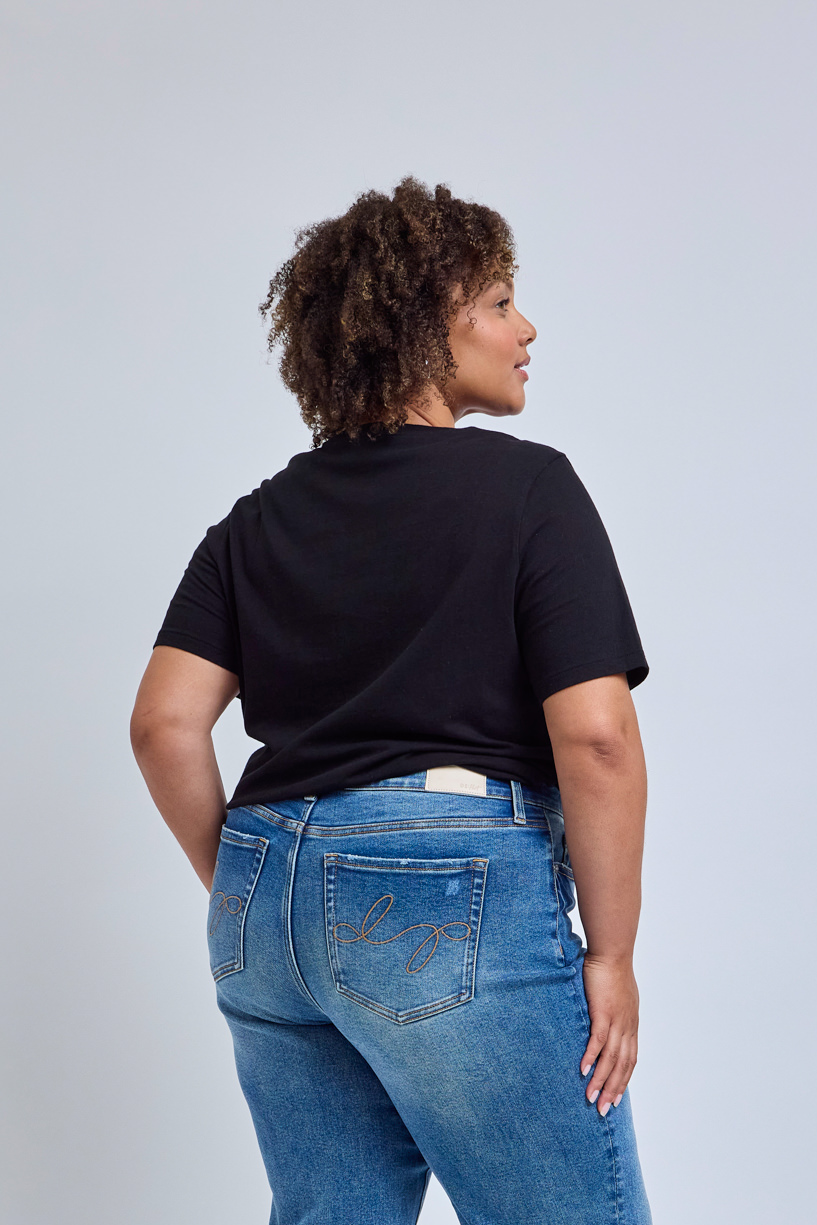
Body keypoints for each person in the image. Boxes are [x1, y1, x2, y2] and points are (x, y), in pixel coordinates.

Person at [130, 176, 653, 1224]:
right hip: (438, 887)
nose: (526, 327)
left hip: (262, 910)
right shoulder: (526, 488)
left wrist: (256, 888)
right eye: (501, 301)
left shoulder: (256, 521)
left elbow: (163, 725)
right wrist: (610, 953)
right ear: (427, 322)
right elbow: (594, 736)